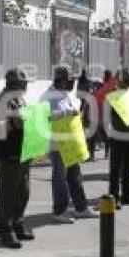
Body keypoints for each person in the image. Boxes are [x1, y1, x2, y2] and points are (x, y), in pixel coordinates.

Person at [0, 69, 34, 249]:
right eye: (23, 84)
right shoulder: (0, 102)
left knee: (23, 191)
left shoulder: (18, 100)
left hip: (22, 153)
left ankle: (18, 223)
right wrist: (13, 124)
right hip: (8, 155)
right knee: (8, 194)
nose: (25, 87)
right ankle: (5, 230)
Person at [43, 67, 97, 223]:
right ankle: (59, 210)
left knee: (75, 176)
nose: (72, 83)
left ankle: (81, 207)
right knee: (60, 178)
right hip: (57, 144)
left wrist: (74, 113)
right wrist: (66, 113)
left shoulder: (64, 95)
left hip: (69, 143)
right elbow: (46, 117)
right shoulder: (49, 96)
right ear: (60, 80)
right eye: (68, 80)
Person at [105, 72, 129, 205]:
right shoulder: (113, 96)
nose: (127, 84)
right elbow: (109, 117)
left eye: (128, 81)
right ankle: (114, 198)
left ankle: (128, 196)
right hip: (118, 137)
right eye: (125, 81)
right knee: (116, 171)